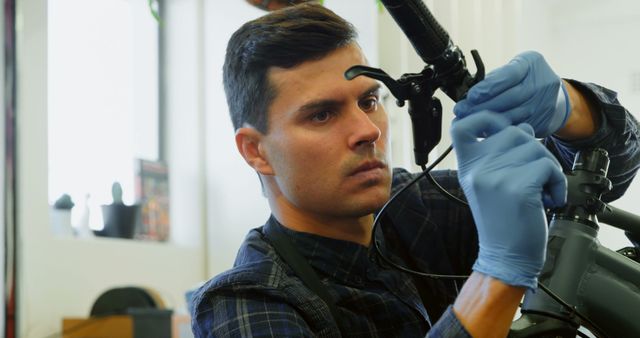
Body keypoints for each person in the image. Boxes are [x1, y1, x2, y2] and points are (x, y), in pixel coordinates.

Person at [191, 3, 640, 337]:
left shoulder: (423, 206)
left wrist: (571, 109)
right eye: (322, 115)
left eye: (369, 101)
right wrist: (497, 277)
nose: (367, 130)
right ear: (256, 151)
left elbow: (604, 180)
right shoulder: (245, 303)